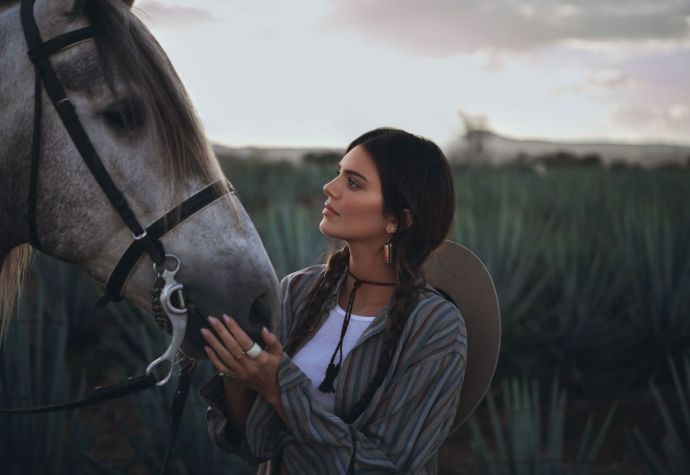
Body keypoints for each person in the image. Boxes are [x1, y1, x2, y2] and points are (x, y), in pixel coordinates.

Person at [199, 127, 467, 474]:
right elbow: (254, 444)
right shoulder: (299, 291)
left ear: (397, 220)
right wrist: (236, 370)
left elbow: (388, 467)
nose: (330, 187)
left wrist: (281, 390)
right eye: (339, 173)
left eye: (353, 182)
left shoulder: (435, 327)